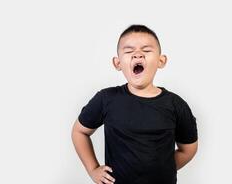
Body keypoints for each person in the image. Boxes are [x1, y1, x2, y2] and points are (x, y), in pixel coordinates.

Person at [71, 24, 198, 184]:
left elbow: (188, 149)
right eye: (129, 51)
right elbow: (79, 132)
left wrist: (162, 168)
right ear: (117, 63)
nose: (137, 55)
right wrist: (93, 169)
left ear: (161, 60)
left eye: (146, 51)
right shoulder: (106, 99)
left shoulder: (176, 105)